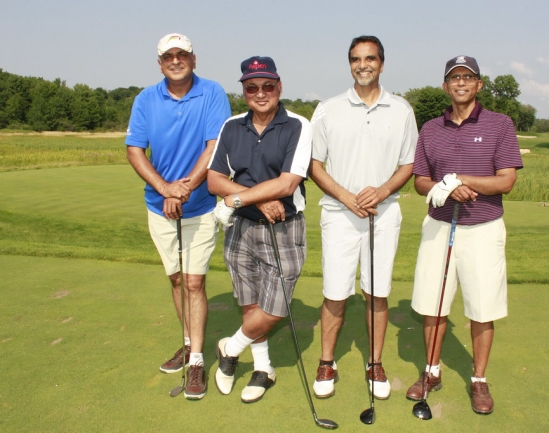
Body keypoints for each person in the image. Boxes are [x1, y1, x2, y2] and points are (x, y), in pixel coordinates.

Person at [406, 55, 523, 415]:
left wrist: (460, 180)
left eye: (468, 77)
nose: (461, 83)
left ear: (478, 85)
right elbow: (420, 181)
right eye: (454, 78)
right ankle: (431, 371)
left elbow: (506, 180)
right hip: (439, 226)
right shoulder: (430, 129)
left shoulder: (500, 124)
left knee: (482, 308)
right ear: (446, 86)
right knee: (432, 303)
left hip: (483, 229)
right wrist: (444, 188)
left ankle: (478, 379)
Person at [309, 35, 417, 400]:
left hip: (384, 214)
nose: (363, 65)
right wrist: (346, 196)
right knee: (335, 292)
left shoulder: (401, 109)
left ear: (381, 64)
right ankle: (327, 361)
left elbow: (409, 163)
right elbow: (315, 164)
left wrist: (382, 191)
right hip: (339, 213)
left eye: (370, 58)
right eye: (356, 59)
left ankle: (374, 363)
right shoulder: (328, 108)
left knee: (377, 291)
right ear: (350, 64)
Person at [125, 33, 231, 400]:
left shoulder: (212, 93)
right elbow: (135, 150)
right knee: (175, 280)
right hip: (159, 206)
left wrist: (183, 189)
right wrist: (165, 189)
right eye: (168, 55)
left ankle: (197, 360)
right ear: (160, 63)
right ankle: (188, 343)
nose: (175, 60)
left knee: (193, 282)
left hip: (199, 207)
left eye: (182, 54)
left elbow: (214, 146)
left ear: (193, 59)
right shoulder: (145, 99)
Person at [207, 56, 312, 403]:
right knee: (249, 302)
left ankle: (230, 348)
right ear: (244, 91)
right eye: (252, 87)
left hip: (284, 228)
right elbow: (214, 180)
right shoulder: (232, 126)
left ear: (279, 87)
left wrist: (236, 198)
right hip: (242, 227)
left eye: (268, 85)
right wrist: (256, 200)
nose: (261, 93)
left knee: (276, 308)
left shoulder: (297, 125)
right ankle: (263, 368)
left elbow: (287, 183)